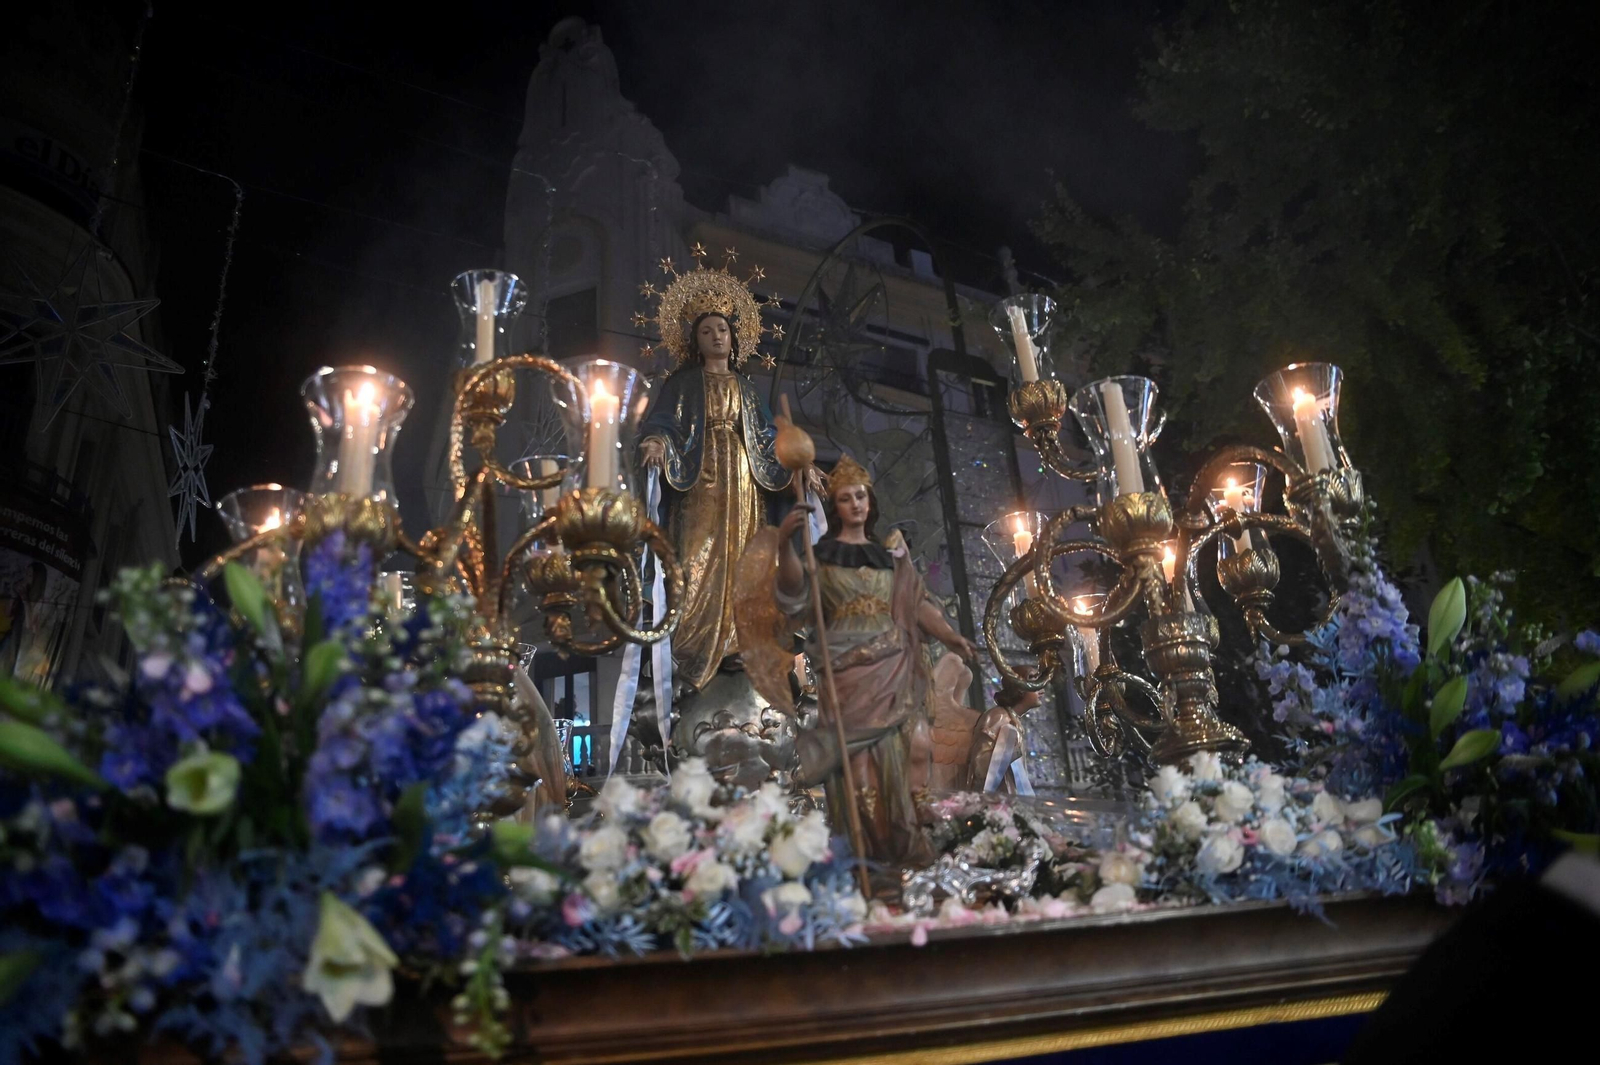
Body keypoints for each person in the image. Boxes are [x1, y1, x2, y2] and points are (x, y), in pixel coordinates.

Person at [774, 454, 975, 868]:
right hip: (846, 671)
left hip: (893, 667)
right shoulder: (823, 556)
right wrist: (784, 545)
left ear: (871, 501)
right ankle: (863, 850)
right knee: (858, 764)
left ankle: (902, 839)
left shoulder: (890, 557)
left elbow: (917, 605)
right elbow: (793, 596)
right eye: (846, 498)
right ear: (836, 507)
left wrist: (951, 635)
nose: (855, 504)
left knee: (908, 749)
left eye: (861, 496)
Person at [639, 311, 822, 692]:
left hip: (742, 480)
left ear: (733, 339)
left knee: (747, 562)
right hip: (698, 479)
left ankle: (741, 642)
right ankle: (688, 648)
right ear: (696, 341)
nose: (716, 337)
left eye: (722, 330)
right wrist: (656, 441)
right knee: (693, 558)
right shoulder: (684, 383)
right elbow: (663, 422)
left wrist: (800, 464)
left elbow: (771, 440)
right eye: (706, 331)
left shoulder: (747, 389)